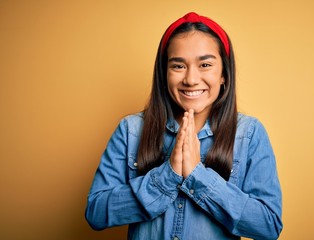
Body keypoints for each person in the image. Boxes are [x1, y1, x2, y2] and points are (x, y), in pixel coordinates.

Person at [85, 12, 283, 240]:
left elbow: (268, 225)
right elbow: (96, 212)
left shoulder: (249, 134)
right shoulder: (130, 130)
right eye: (178, 66)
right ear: (164, 74)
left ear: (224, 75)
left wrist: (198, 176)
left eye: (205, 64)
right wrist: (166, 176)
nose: (190, 79)